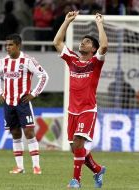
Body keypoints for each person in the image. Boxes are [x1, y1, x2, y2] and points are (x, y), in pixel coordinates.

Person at [53, 12, 108, 188]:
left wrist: (99, 23)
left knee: (78, 142)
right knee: (75, 148)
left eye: (87, 42)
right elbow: (57, 42)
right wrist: (67, 20)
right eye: (82, 40)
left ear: (93, 49)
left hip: (87, 109)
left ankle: (76, 180)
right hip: (72, 110)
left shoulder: (95, 62)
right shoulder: (72, 60)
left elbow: (104, 46)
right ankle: (98, 169)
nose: (82, 42)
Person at [0, 33, 49, 174]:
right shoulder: (2, 62)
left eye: (10, 45)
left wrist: (34, 93)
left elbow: (44, 76)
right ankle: (20, 167)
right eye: (6, 45)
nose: (7, 47)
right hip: (8, 103)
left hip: (22, 102)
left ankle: (36, 166)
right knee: (15, 133)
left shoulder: (28, 60)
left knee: (29, 132)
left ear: (18, 46)